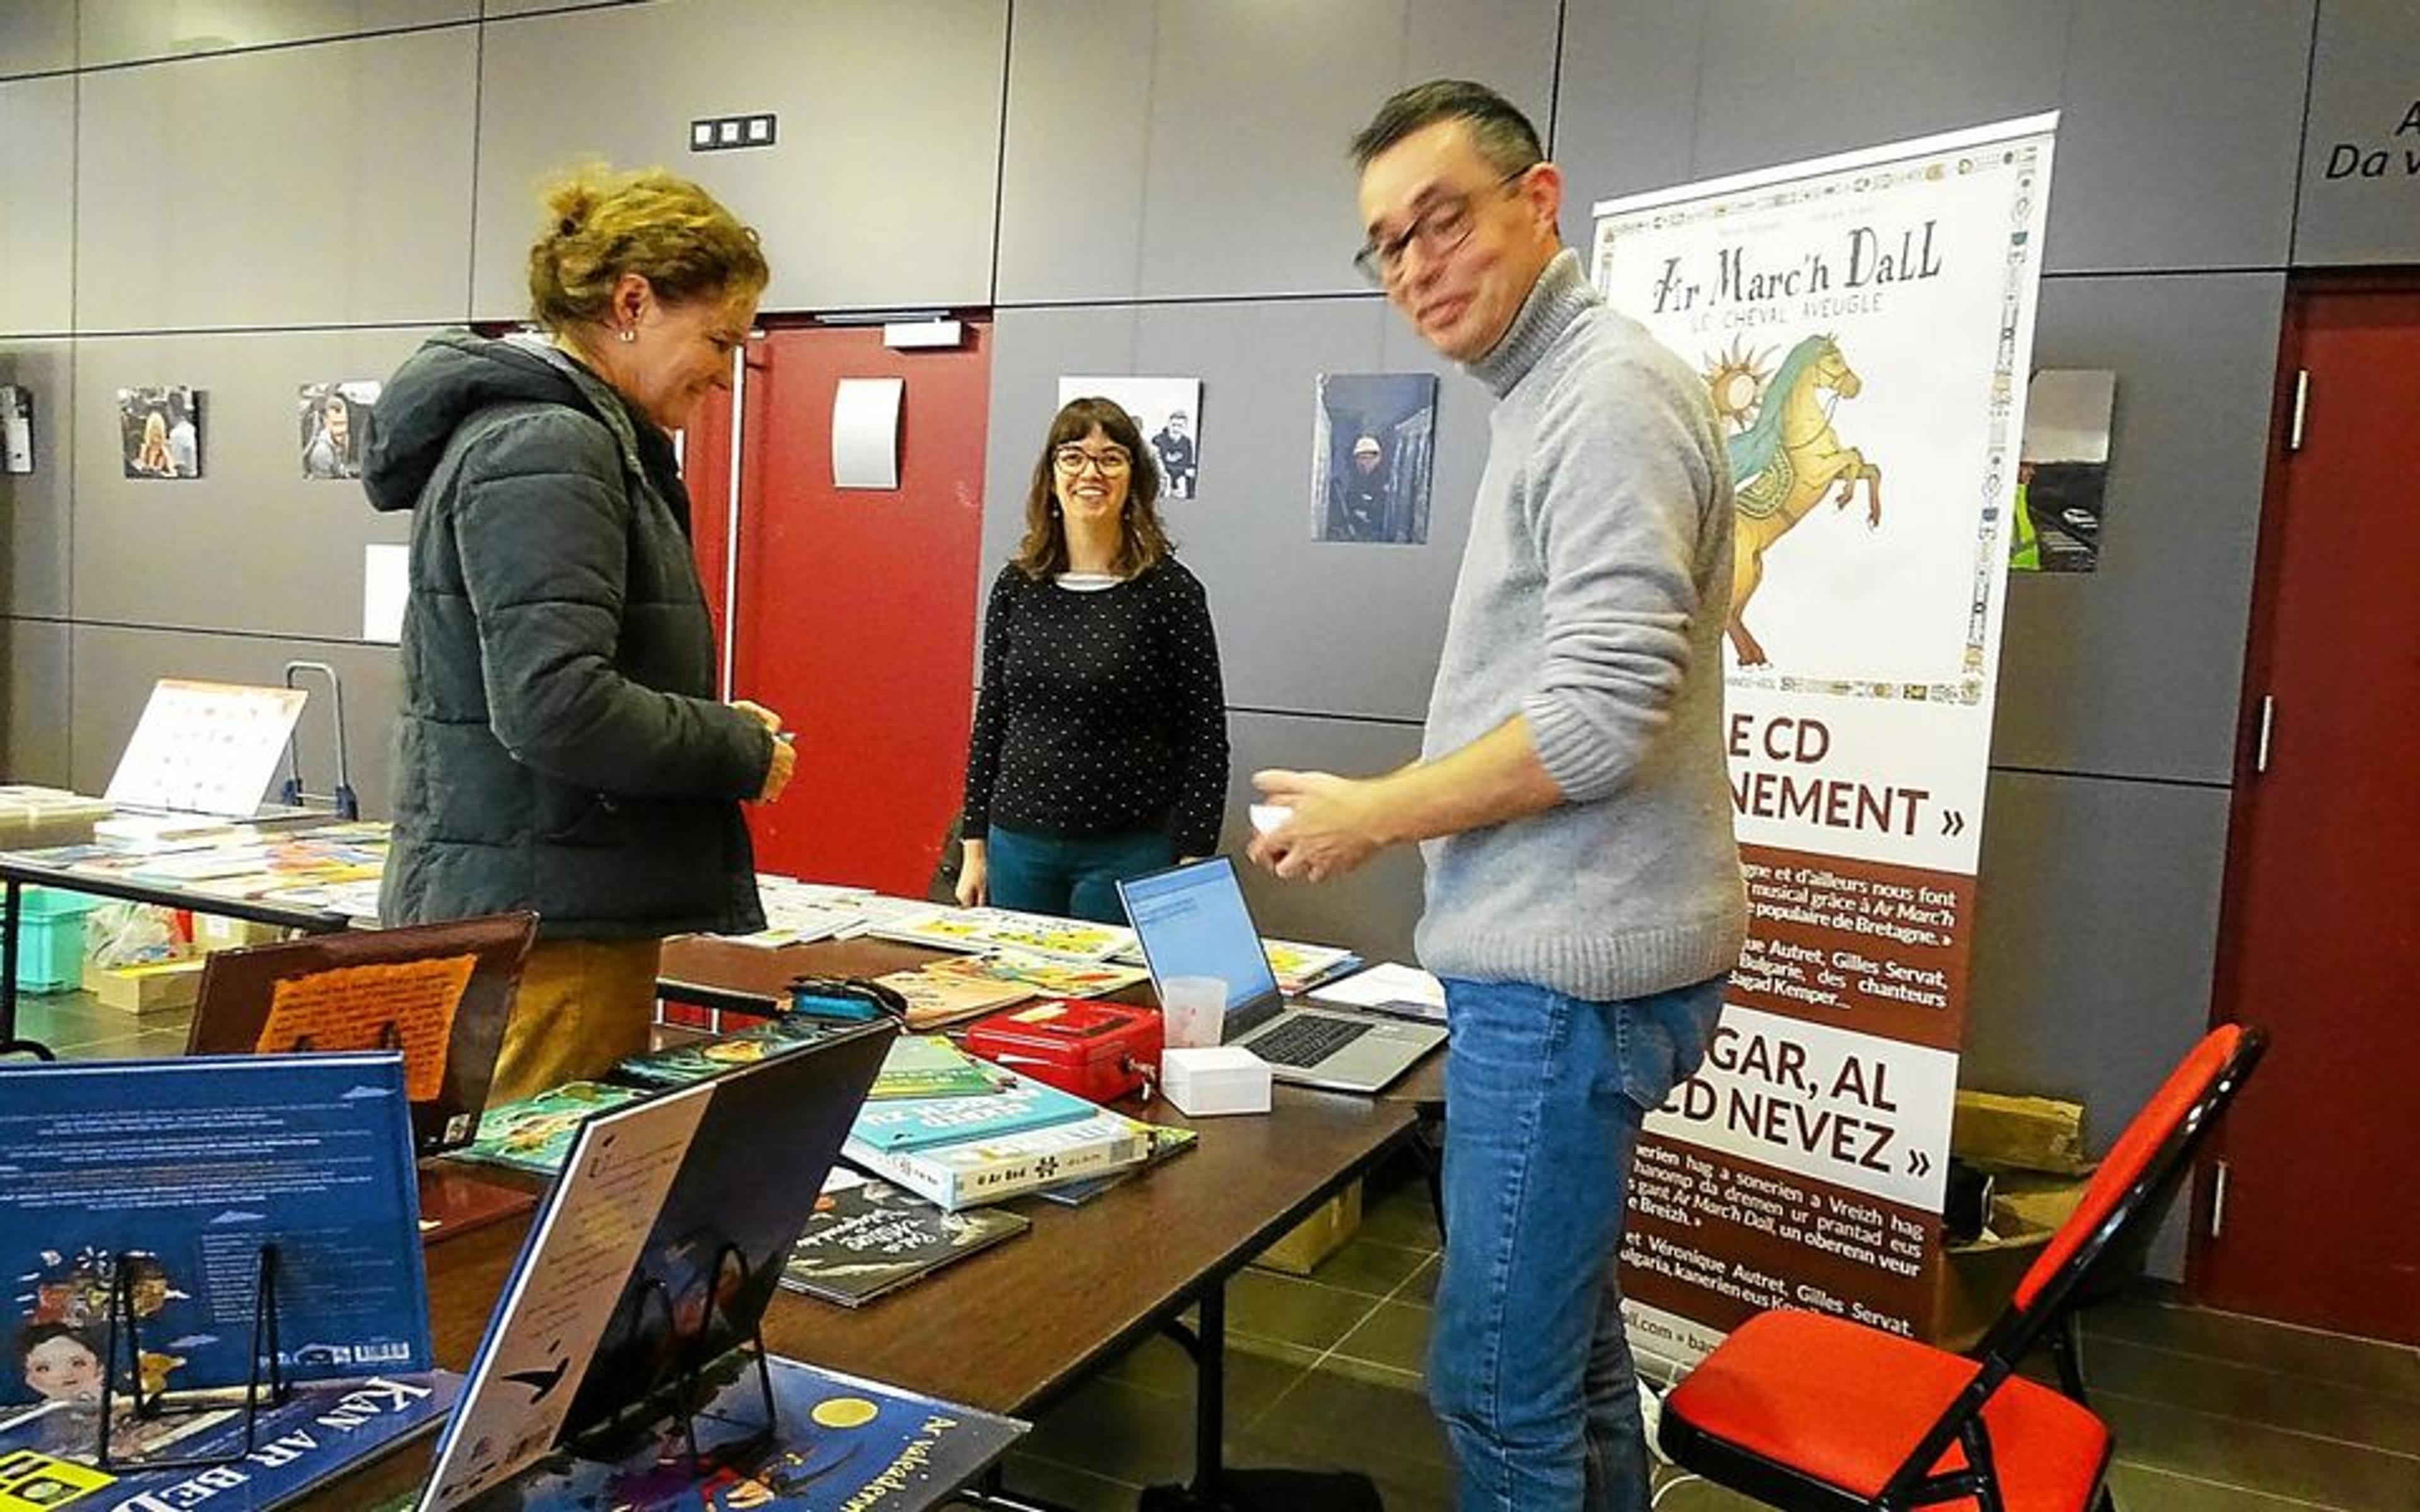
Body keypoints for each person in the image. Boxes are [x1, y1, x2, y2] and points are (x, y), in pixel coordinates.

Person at [1249, 81, 1744, 1511]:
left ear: (1540, 202)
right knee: (1576, 1360)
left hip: (1563, 972)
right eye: (1385, 244)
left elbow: (1595, 718)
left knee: (1496, 1386)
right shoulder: (1552, 392)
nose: (1415, 265)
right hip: (1561, 955)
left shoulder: (1602, 395)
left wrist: (1373, 810)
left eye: (1442, 219)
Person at [363, 164, 793, 1104]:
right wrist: (734, 749)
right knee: (523, 1226)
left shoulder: (562, 439)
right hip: (549, 932)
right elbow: (556, 705)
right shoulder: (550, 445)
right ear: (631, 302)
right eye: (718, 341)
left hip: (554, 904)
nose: (724, 375)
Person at [956, 396, 1228, 924]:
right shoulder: (1017, 586)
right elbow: (992, 718)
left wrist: (1194, 856)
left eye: (1111, 458)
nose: (1091, 472)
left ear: (1134, 479)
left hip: (1130, 849)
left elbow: (1205, 737)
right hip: (1018, 845)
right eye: (1074, 456)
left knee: (1111, 1003)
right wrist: (975, 846)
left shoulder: (1171, 592)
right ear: (1052, 477)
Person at [1327, 432, 1390, 541]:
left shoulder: (1386, 483)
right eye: (1361, 458)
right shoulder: (1351, 483)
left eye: (1369, 459)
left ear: (1378, 459)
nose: (1365, 463)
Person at [302, 391, 354, 479]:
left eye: (344, 424)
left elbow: (341, 469)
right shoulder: (322, 452)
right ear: (326, 422)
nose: (341, 430)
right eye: (336, 424)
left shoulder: (342, 440)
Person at [1148, 408, 1197, 498]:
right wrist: (1182, 471)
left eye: (1180, 426)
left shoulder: (1186, 442)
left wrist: (1186, 471)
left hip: (1180, 477)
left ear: (1185, 427)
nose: (1176, 429)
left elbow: (1188, 464)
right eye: (1174, 425)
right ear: (1169, 424)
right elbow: (1159, 466)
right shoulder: (1158, 440)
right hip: (1164, 476)